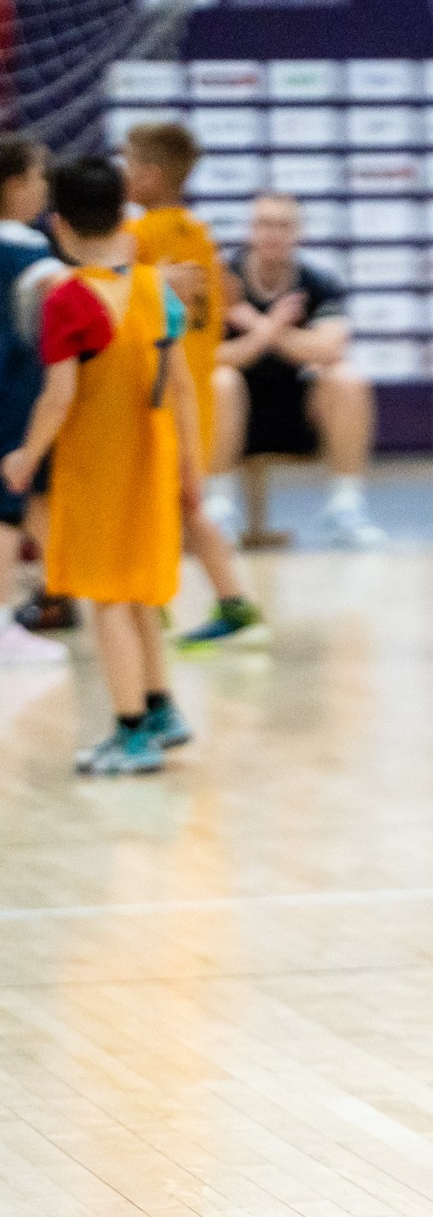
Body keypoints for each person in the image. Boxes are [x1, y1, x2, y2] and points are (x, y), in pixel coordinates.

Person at [0, 157, 201, 774]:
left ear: (57, 225)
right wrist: (192, 465)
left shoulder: (69, 299)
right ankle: (162, 706)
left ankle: (131, 730)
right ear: (124, 215)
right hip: (156, 457)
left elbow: (58, 395)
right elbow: (182, 386)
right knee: (141, 594)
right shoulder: (155, 287)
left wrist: (26, 456)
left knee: (107, 600)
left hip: (102, 466)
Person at [120, 124, 280, 664]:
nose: (121, 170)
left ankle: (154, 610)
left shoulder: (143, 237)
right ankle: (228, 605)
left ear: (149, 174)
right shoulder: (200, 233)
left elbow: (133, 315)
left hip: (160, 394)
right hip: (195, 397)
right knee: (186, 507)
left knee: (164, 508)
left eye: (127, 160)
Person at [205, 192, 378, 600]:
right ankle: (219, 513)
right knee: (221, 379)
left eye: (283, 226)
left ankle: (345, 509)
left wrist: (258, 324)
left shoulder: (318, 282)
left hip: (296, 411)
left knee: (348, 379)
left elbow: (330, 348)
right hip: (232, 414)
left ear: (298, 233)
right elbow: (206, 358)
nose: (272, 234)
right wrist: (272, 332)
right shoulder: (223, 281)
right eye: (264, 224)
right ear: (250, 229)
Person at [0, 135, 67, 665]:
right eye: (41, 179)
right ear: (16, 185)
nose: (45, 190)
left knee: (37, 499)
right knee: (8, 508)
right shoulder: (30, 251)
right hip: (17, 392)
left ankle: (55, 591)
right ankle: (4, 626)